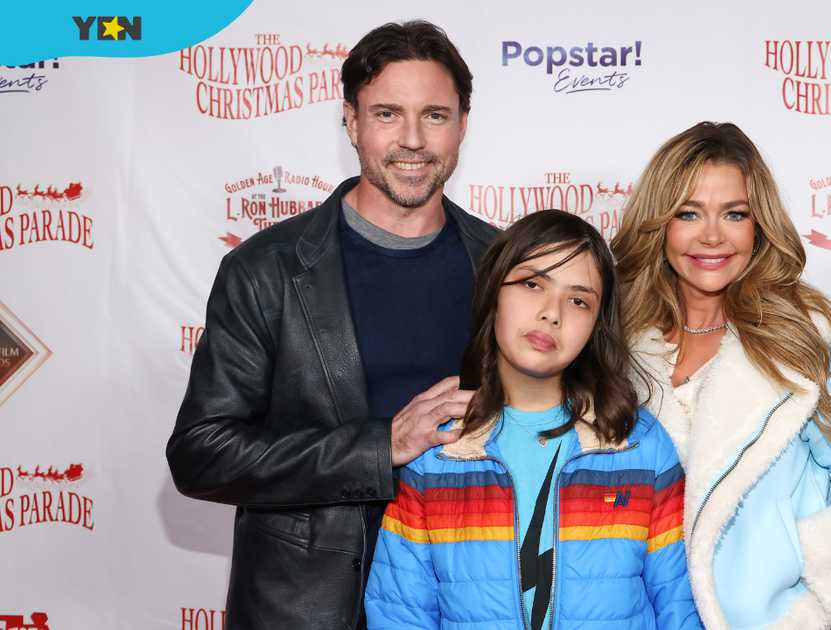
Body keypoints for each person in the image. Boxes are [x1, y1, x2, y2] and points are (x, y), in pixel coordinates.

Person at [166, 21, 497, 630]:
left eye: (436, 115)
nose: (414, 140)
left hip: (467, 598)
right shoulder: (266, 269)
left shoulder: (504, 265)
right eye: (388, 114)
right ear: (351, 121)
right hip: (306, 606)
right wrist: (381, 446)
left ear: (464, 124)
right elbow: (200, 455)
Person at [612, 122, 831, 630]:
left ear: (759, 225)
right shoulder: (616, 341)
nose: (712, 236)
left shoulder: (806, 334)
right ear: (659, 224)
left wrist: (799, 613)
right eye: (688, 213)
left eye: (734, 214)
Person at [364, 210, 701, 630]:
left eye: (579, 300)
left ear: (597, 326)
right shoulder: (440, 450)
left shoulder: (638, 445)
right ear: (494, 292)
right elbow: (400, 613)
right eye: (532, 283)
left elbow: (679, 604)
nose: (551, 312)